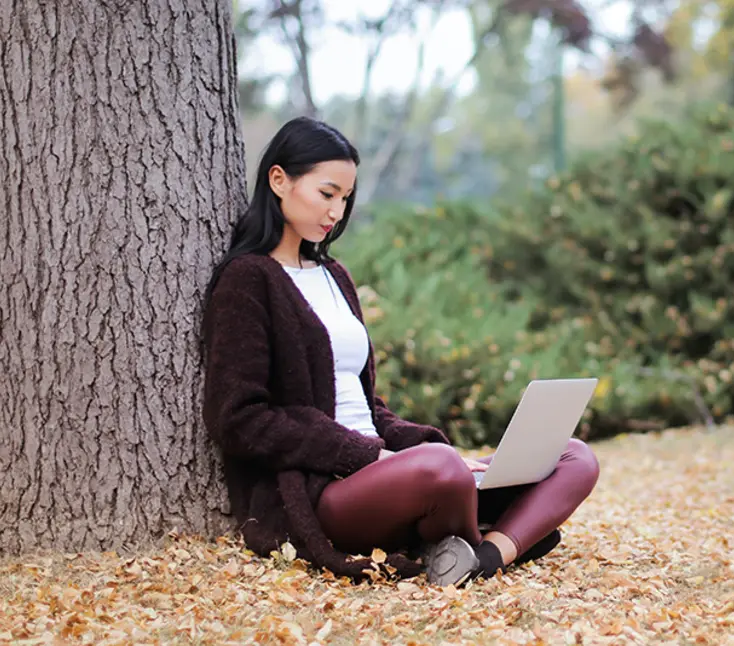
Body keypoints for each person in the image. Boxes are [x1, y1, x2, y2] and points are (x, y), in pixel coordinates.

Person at [200, 116, 600, 586]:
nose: (336, 211)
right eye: (327, 193)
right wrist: (369, 457)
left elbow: (367, 406)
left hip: (392, 471)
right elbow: (240, 418)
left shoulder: (334, 276)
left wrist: (419, 445)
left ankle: (483, 557)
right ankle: (489, 533)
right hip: (323, 488)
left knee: (574, 456)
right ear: (279, 180)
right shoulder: (248, 279)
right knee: (442, 469)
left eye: (345, 198)